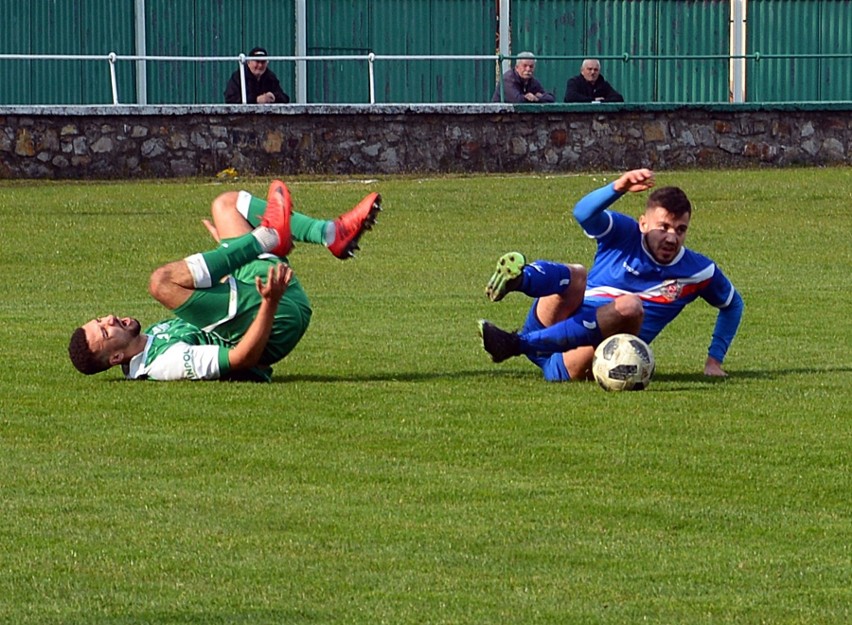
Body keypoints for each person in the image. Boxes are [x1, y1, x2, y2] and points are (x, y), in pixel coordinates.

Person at [68, 181, 382, 381]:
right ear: (117, 357)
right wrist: (270, 304)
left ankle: (330, 234)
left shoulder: (154, 335)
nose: (108, 319)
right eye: (104, 331)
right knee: (161, 283)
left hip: (255, 298)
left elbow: (216, 317)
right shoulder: (163, 364)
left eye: (100, 319)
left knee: (226, 205)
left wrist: (228, 255)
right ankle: (268, 237)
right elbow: (241, 358)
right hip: (273, 319)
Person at [479, 168, 743, 381]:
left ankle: (516, 343)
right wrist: (619, 186)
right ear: (643, 223)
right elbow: (582, 213)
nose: (671, 237)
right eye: (663, 227)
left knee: (631, 306)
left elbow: (733, 305)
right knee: (578, 274)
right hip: (550, 321)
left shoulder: (698, 271)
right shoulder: (624, 234)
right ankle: (521, 280)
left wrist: (714, 360)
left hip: (577, 359)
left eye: (680, 229)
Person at [224, 46, 290, 104]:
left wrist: (274, 97)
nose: (260, 65)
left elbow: (285, 98)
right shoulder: (238, 77)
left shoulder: (270, 77)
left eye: (263, 62)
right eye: (257, 61)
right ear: (248, 62)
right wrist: (256, 100)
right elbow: (230, 99)